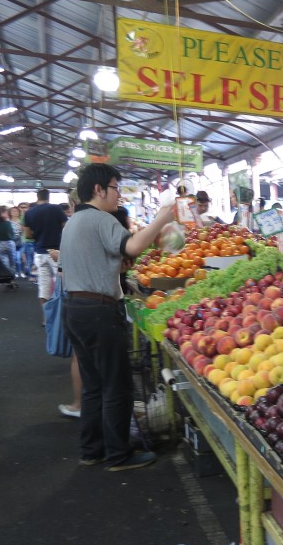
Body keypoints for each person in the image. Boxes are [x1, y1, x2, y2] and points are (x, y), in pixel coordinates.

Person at [60, 164, 175, 471]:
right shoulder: (101, 218)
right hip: (99, 311)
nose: (118, 194)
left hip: (75, 309)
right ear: (99, 189)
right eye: (115, 187)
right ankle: (118, 454)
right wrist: (161, 219)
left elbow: (103, 259)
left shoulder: (74, 221)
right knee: (116, 385)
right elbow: (134, 245)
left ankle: (92, 449)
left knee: (94, 384)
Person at [23, 188, 67, 324]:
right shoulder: (56, 210)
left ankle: (46, 319)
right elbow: (66, 228)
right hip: (57, 252)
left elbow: (27, 235)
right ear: (49, 197)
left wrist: (39, 234)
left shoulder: (29, 213)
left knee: (44, 286)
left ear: (37, 197)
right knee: (63, 284)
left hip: (40, 252)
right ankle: (62, 316)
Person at [0, 206, 19, 280]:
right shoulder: (8, 223)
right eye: (5, 212)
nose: (7, 213)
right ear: (1, 214)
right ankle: (12, 277)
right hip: (9, 243)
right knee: (12, 262)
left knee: (3, 261)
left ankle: (6, 276)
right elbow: (12, 233)